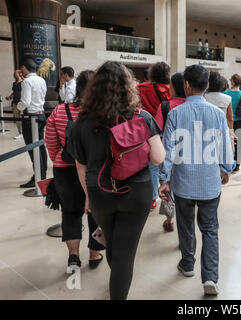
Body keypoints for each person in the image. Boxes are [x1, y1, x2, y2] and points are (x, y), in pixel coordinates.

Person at [71, 61, 165, 300]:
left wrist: (88, 197)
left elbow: (81, 166)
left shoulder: (80, 123)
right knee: (126, 252)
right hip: (137, 191)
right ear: (128, 87)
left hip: (99, 192)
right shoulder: (141, 117)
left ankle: (117, 281)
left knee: (113, 243)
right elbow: (158, 158)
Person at [158, 64, 233, 296]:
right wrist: (225, 168)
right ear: (208, 85)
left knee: (186, 224)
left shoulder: (175, 114)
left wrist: (163, 179)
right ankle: (210, 277)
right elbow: (226, 146)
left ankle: (188, 265)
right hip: (210, 183)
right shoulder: (218, 114)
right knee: (210, 228)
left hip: (183, 183)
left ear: (186, 85)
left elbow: (167, 150)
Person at [45, 70, 105, 269]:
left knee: (70, 212)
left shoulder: (60, 112)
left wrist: (59, 158)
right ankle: (94, 256)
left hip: (65, 170)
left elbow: (50, 142)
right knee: (96, 212)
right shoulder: (102, 114)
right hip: (95, 171)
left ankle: (73, 255)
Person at [154, 72, 186, 232]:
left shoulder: (165, 106)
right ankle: (184, 225)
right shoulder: (190, 105)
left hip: (168, 154)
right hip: (188, 155)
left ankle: (169, 219)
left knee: (167, 187)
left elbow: (158, 130)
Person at [137, 62, 171, 210]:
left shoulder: (141, 88)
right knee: (168, 161)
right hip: (167, 129)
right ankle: (168, 195)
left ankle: (152, 198)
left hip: (147, 129)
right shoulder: (170, 90)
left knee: (152, 164)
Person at [17, 59, 48, 188]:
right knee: (40, 146)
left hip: (31, 118)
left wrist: (17, 107)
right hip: (41, 115)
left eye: (21, 69)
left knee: (32, 148)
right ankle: (42, 175)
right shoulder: (42, 80)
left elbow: (25, 101)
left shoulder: (27, 81)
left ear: (24, 68)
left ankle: (38, 176)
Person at [224, 74, 241, 172]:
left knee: (228, 144)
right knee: (239, 145)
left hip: (228, 122)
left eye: (231, 80)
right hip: (240, 122)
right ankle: (237, 166)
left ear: (233, 82)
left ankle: (227, 165)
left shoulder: (226, 93)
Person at [6, 70, 23, 140]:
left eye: (15, 73)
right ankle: (20, 133)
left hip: (22, 103)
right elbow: (14, 92)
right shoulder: (15, 83)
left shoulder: (24, 82)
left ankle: (25, 132)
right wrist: (10, 97)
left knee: (23, 118)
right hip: (15, 102)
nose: (14, 74)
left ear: (20, 74)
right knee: (17, 119)